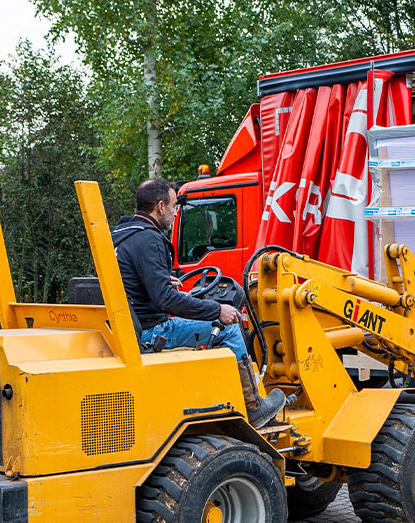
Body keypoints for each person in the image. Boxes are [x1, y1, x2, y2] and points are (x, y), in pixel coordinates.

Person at [112, 178, 286, 427]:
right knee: (228, 328)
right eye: (173, 206)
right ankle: (253, 406)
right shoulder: (149, 239)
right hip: (151, 330)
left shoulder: (121, 235)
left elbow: (129, 280)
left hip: (130, 326)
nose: (175, 213)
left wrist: (160, 280)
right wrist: (217, 310)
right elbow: (165, 300)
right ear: (160, 206)